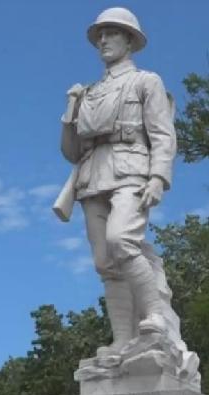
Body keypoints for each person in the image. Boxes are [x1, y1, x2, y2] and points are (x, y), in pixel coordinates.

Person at [59, 7, 177, 358]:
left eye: (111, 33)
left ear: (129, 40)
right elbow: (71, 152)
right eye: (100, 35)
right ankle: (122, 339)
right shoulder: (88, 93)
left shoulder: (146, 82)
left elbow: (163, 134)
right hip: (91, 177)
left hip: (131, 170)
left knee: (122, 239)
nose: (103, 40)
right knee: (105, 263)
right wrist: (69, 112)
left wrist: (158, 176)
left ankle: (155, 316)